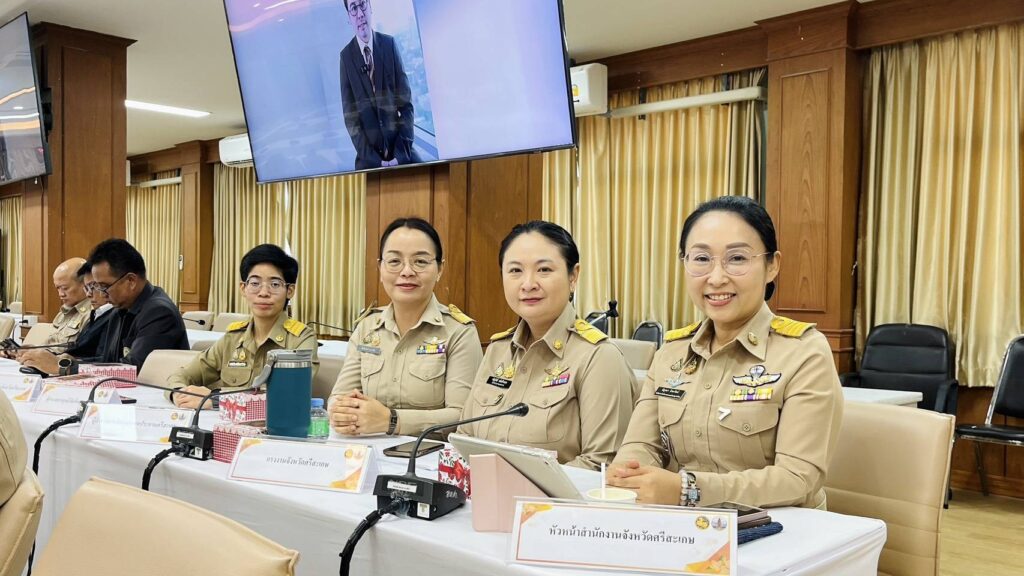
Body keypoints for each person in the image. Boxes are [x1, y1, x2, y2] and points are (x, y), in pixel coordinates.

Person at [608, 196, 843, 509]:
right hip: (680, 528)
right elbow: (640, 445)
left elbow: (798, 478)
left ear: (772, 265)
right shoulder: (672, 352)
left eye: (737, 259)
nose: (716, 277)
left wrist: (688, 490)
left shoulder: (804, 353)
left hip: (776, 533)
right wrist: (629, 475)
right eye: (701, 259)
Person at [457, 221, 633, 470]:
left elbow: (602, 466)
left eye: (544, 270)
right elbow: (464, 438)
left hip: (558, 506)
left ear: (573, 276)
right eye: (515, 270)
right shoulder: (497, 350)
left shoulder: (599, 357)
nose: (528, 284)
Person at [330, 218, 482, 437]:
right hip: (368, 451)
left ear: (439, 269)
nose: (407, 271)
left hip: (428, 458)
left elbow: (463, 416)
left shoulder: (458, 332)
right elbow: (340, 397)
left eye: (420, 261)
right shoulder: (367, 328)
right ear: (380, 267)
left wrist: (392, 421)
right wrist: (340, 412)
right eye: (394, 261)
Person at [168, 245, 318, 409]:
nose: (263, 292)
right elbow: (182, 375)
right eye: (255, 283)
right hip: (225, 428)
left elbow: (288, 394)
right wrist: (179, 393)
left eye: (275, 284)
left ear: (290, 291)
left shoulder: (301, 339)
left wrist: (216, 399)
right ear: (243, 288)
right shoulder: (233, 337)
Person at [22, 239, 189, 374]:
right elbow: (108, 361)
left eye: (103, 286)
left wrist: (64, 368)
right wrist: (70, 361)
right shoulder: (119, 309)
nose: (100, 293)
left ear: (130, 281)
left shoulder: (158, 312)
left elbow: (132, 370)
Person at [339, 0, 421, 170]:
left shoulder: (389, 45)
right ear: (349, 16)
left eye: (362, 4)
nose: (360, 13)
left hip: (399, 146)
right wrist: (376, 161)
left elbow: (406, 106)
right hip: (369, 157)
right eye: (353, 8)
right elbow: (351, 120)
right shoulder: (346, 58)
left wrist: (399, 154)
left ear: (370, 7)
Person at [6, 258, 91, 361]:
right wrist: (25, 351)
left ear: (85, 284)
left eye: (65, 288)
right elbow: (52, 345)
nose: (61, 294)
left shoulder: (92, 314)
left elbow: (80, 355)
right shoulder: (65, 312)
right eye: (58, 288)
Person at [64, 261, 116, 359]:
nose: (88, 294)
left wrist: (66, 363)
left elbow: (104, 360)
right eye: (86, 288)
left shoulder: (116, 316)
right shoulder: (97, 313)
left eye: (94, 286)